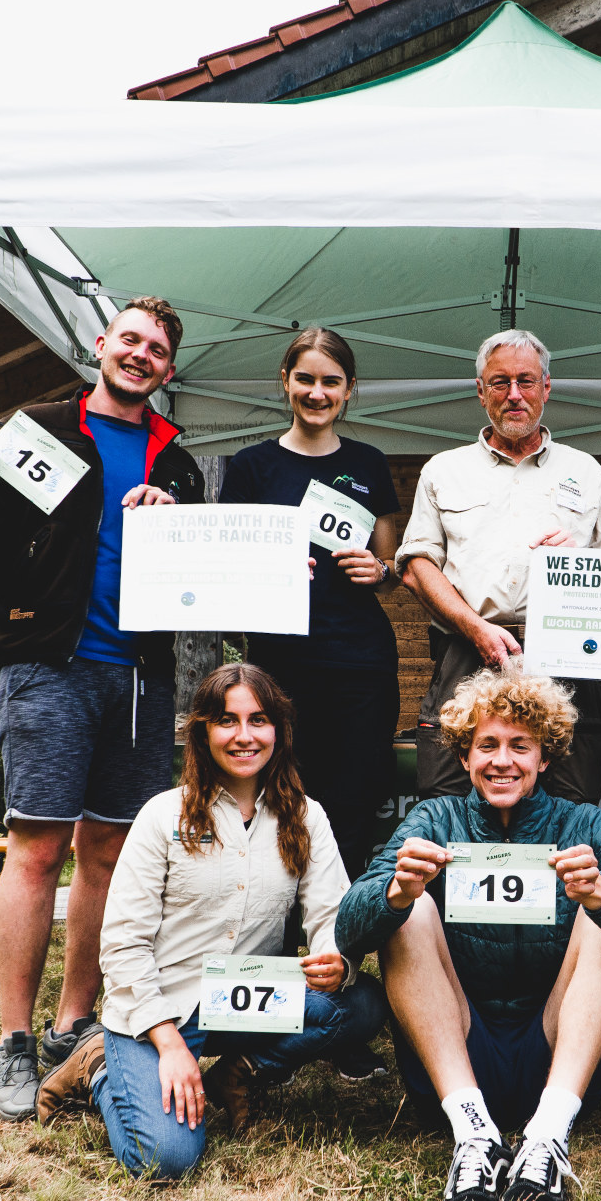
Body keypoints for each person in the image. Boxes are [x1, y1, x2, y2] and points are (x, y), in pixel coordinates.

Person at [0, 297, 205, 1121]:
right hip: (46, 665)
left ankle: (72, 1022)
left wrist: (181, 520)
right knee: (38, 846)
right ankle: (14, 1038)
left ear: (166, 369)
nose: (141, 354)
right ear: (101, 345)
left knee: (112, 855)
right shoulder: (37, 425)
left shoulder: (180, 462)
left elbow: (199, 575)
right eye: (130, 339)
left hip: (139, 677)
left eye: (157, 348)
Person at [337, 670, 601, 1201]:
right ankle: (473, 1138)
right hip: (459, 1057)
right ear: (466, 757)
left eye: (520, 746)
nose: (503, 761)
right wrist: (394, 893)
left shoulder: (584, 823)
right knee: (410, 909)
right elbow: (347, 932)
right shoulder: (435, 819)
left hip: (556, 1062)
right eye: (488, 746)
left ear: (545, 758)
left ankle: (546, 1141)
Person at [34, 663, 389, 1180]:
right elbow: (123, 944)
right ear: (202, 730)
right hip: (163, 1008)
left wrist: (335, 959)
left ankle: (239, 1076)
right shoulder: (162, 815)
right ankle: (104, 1069)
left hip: (247, 1001)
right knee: (166, 1160)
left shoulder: (306, 816)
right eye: (227, 721)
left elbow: (330, 915)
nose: (244, 736)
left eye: (258, 720)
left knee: (363, 1003)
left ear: (278, 730)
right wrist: (168, 1042)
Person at [397, 329, 601, 805]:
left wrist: (583, 564)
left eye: (526, 381)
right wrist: (474, 627)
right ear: (481, 392)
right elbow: (417, 564)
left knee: (571, 802)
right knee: (446, 797)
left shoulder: (589, 473)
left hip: (566, 658)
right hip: (465, 650)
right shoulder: (443, 470)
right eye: (499, 383)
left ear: (546, 387)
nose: (514, 395)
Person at [218, 329, 401, 881]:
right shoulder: (251, 466)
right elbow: (228, 566)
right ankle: (272, 948)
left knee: (351, 804)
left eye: (330, 382)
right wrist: (263, 571)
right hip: (278, 666)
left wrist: (380, 571)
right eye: (306, 379)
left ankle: (337, 951)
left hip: (359, 667)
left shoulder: (369, 463)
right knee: (275, 802)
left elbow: (390, 571)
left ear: (349, 390)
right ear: (285, 381)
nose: (317, 392)